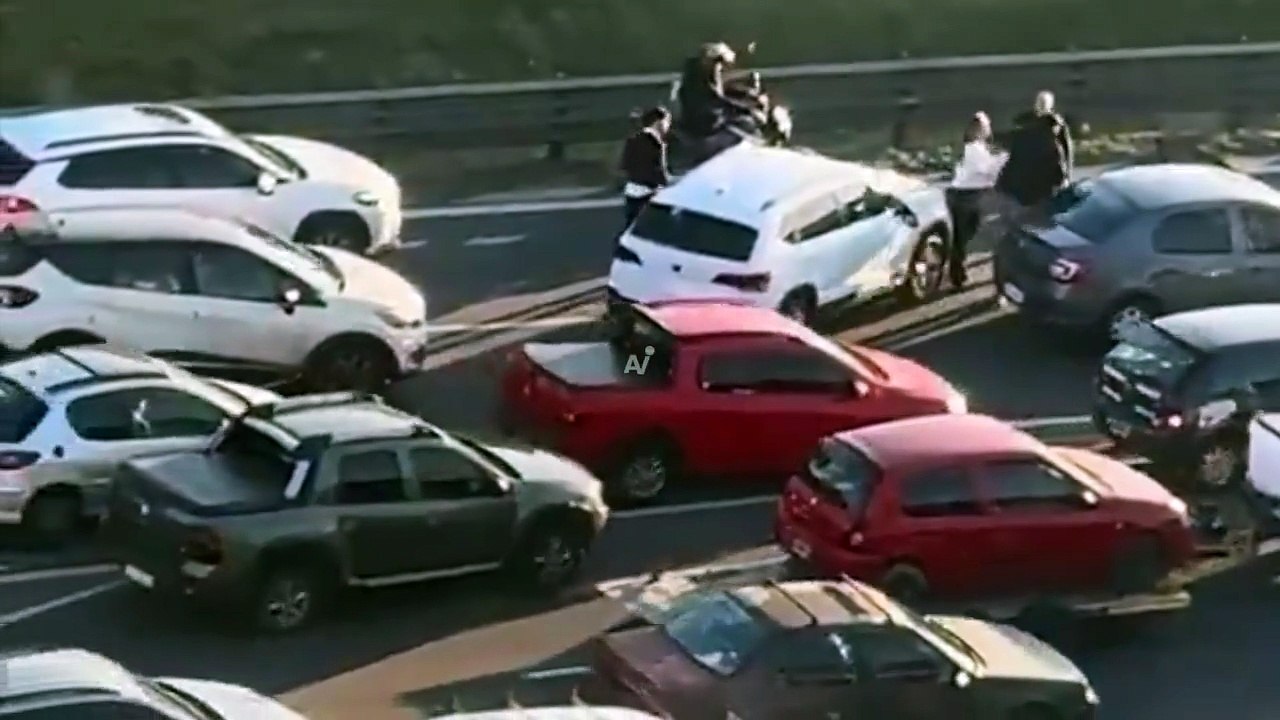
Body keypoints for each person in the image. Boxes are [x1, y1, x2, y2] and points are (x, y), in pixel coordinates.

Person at [994, 90, 1074, 227]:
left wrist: (1067, 174)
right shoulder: (1026, 124)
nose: (1041, 106)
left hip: (1043, 174)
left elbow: (1066, 152)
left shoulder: (1056, 126)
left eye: (1044, 103)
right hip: (1030, 173)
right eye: (1040, 103)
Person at [946, 112, 1006, 289]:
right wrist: (1003, 159)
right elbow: (986, 170)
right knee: (963, 236)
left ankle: (957, 273)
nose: (989, 129)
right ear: (980, 129)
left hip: (964, 194)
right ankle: (957, 276)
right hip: (968, 195)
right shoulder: (974, 148)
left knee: (963, 236)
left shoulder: (974, 147)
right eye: (987, 126)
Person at [619, 106, 672, 227]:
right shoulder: (655, 142)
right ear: (659, 122)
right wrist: (666, 184)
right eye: (667, 122)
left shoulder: (633, 139)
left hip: (631, 192)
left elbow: (624, 165)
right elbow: (658, 171)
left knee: (633, 229)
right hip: (647, 194)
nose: (668, 126)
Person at [676, 42, 743, 138]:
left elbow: (720, 92)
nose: (720, 70)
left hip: (702, 119)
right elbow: (714, 96)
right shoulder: (699, 77)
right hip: (701, 123)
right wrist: (742, 108)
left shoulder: (698, 73)